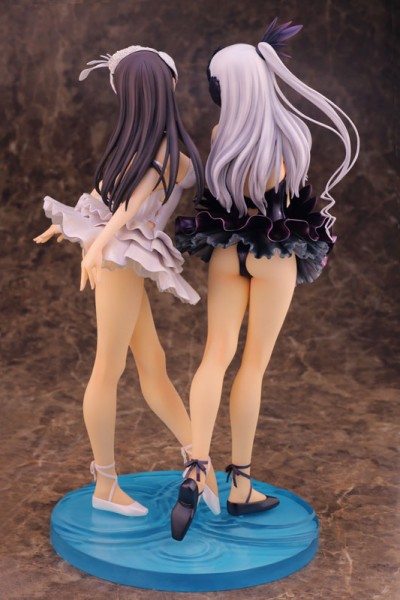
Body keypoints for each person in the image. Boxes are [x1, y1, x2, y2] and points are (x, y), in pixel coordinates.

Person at [171, 19, 359, 540]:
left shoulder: (220, 134)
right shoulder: (290, 134)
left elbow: (224, 192)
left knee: (215, 355)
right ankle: (241, 484)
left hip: (227, 248)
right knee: (252, 365)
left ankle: (195, 468)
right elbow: (286, 196)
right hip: (274, 253)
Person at [34, 45, 220, 517]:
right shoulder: (156, 151)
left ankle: (198, 460)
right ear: (165, 87)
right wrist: (87, 237)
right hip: (118, 258)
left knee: (152, 363)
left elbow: (122, 202)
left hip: (119, 255)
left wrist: (92, 238)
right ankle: (106, 483)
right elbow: (120, 204)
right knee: (109, 368)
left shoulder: (156, 150)